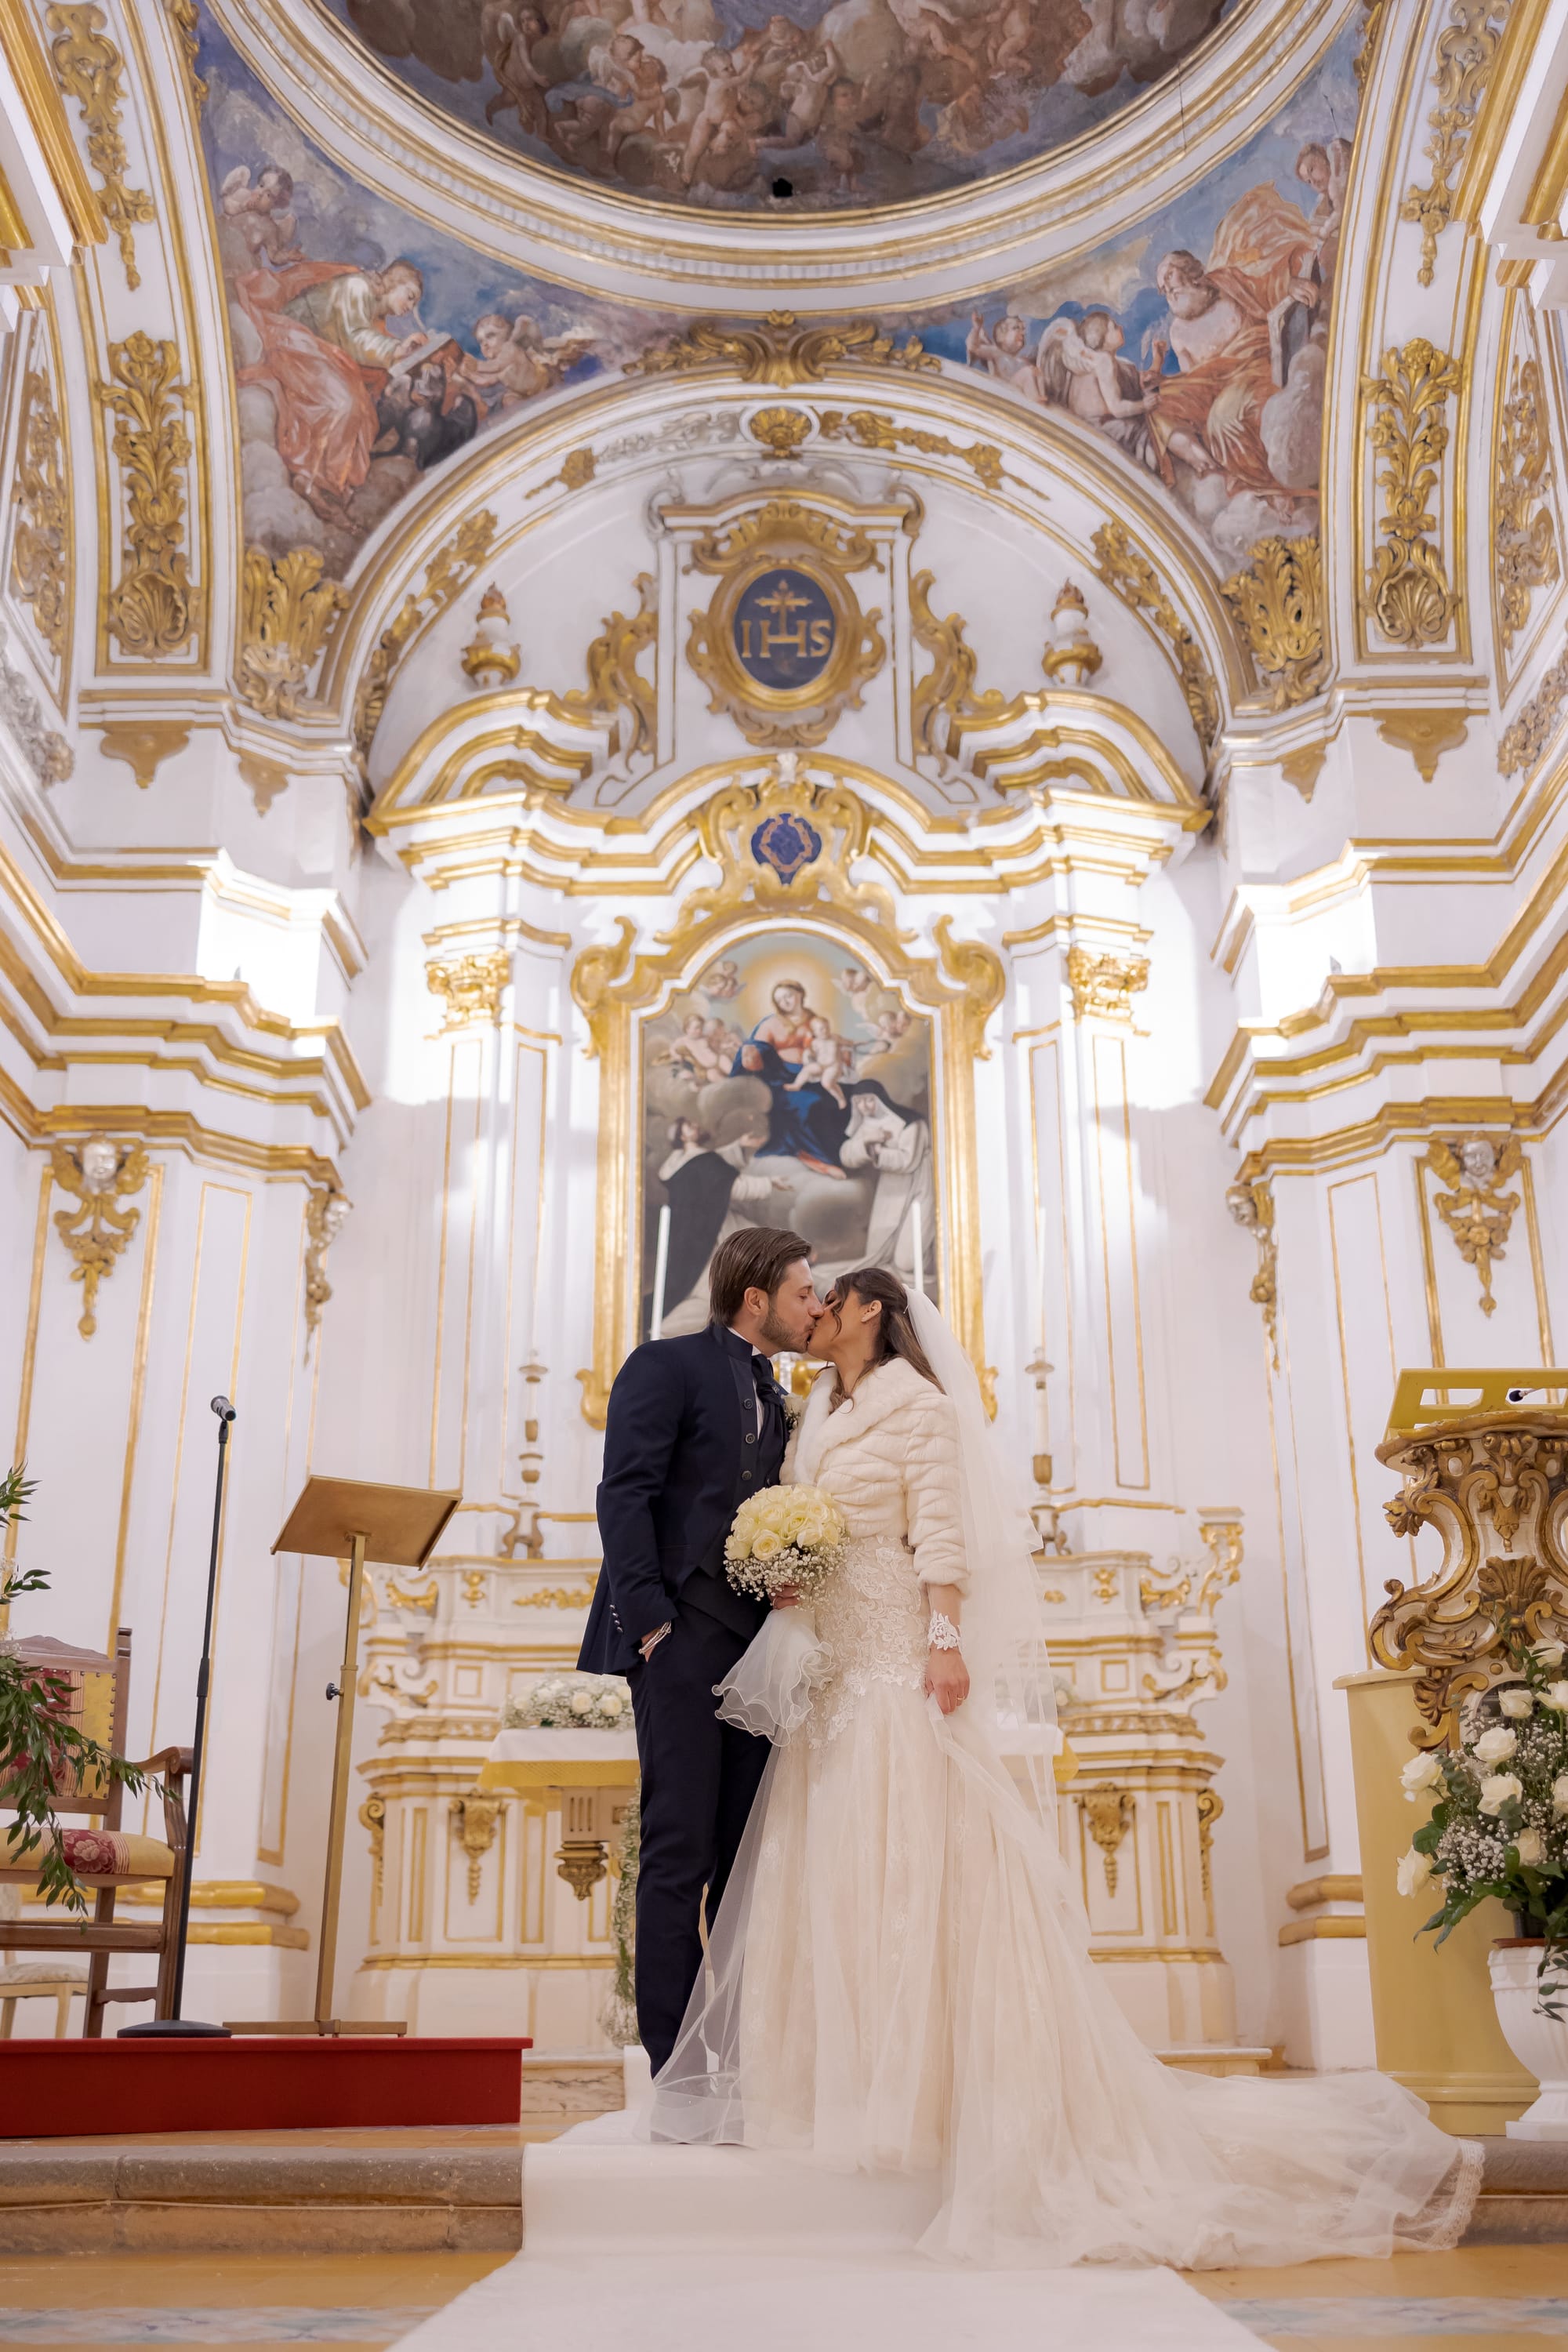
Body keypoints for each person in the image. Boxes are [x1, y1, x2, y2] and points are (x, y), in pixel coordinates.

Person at [647, 1266, 1483, 2267]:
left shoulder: (921, 1408)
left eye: (830, 1298)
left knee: (914, 1854)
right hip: (827, 1662)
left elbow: (940, 1533)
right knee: (823, 1864)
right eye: (804, 1296)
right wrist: (788, 1571)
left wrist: (944, 1640)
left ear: (870, 1310)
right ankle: (834, 2081)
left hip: (894, 1650)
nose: (812, 1311)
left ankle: (925, 2094)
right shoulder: (815, 1405)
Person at [579, 1227, 823, 2072]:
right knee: (679, 1847)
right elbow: (626, 1493)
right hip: (679, 1637)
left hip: (759, 1652)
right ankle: (674, 2065)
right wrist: (649, 1622)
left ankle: (740, 2056)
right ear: (755, 1299)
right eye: (801, 1292)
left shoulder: (783, 1397)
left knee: (745, 1858)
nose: (813, 1306)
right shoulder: (664, 1364)